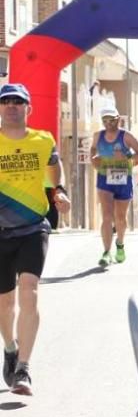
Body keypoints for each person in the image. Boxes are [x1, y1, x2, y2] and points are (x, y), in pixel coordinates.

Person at [0, 83, 71, 396]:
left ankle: (24, 369)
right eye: (6, 102)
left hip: (32, 226)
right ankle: (10, 348)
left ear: (28, 108)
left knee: (29, 290)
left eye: (18, 102)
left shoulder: (43, 140)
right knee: (5, 302)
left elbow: (55, 171)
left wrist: (61, 193)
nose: (12, 106)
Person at [90, 106, 138, 267]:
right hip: (104, 179)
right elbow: (93, 151)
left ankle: (120, 244)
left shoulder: (126, 136)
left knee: (120, 218)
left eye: (112, 120)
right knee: (107, 216)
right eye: (105, 120)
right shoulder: (98, 136)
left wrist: (127, 155)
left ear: (118, 119)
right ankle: (106, 252)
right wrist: (94, 159)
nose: (108, 123)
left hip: (123, 179)